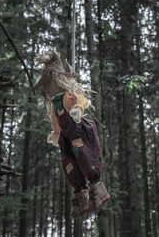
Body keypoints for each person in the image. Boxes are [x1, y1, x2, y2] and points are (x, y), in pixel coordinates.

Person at [34, 50, 110, 218]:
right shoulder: (54, 104)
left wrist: (77, 108)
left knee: (84, 155)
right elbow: (55, 119)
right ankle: (80, 194)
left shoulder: (69, 93)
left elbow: (82, 98)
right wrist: (56, 133)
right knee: (68, 162)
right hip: (65, 135)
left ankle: (97, 187)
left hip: (78, 129)